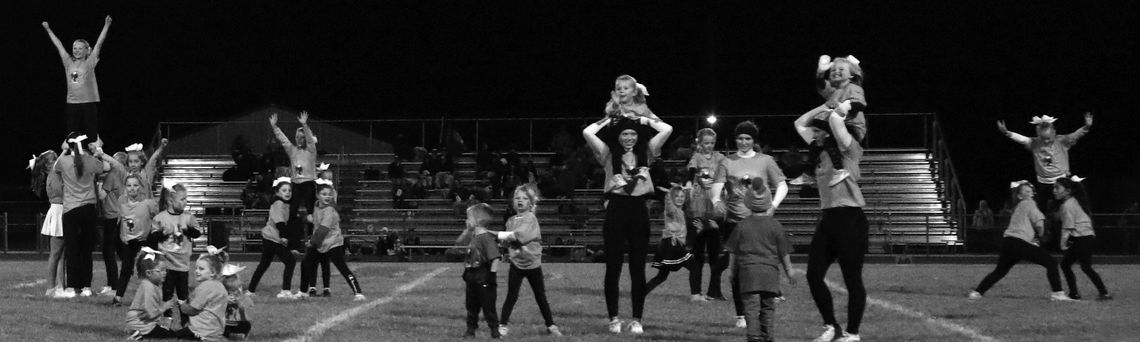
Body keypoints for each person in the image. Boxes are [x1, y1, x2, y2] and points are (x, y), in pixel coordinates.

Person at [583, 77, 673, 334]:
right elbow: (587, 132)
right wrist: (609, 119)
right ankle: (613, 318)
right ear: (617, 135)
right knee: (613, 266)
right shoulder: (607, 153)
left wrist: (642, 119)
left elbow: (666, 128)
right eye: (624, 133)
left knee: (637, 267)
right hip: (616, 209)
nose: (629, 137)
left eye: (633, 133)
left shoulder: (648, 149)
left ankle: (637, 319)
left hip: (638, 210)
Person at [794, 108, 869, 342]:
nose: (813, 135)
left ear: (828, 132)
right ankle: (831, 327)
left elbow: (835, 124)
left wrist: (833, 110)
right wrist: (823, 108)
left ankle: (853, 333)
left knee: (852, 280)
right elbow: (799, 123)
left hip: (850, 218)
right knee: (813, 275)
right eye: (814, 131)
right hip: (828, 219)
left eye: (818, 131)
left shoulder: (848, 148)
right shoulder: (819, 151)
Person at [710, 121, 789, 329]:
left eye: (748, 138)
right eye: (740, 138)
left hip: (760, 222)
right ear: (735, 139)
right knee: (736, 269)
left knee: (764, 265)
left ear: (754, 141)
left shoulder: (766, 161)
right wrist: (716, 201)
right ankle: (741, 315)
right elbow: (716, 188)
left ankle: (766, 303)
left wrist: (773, 205)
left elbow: (782, 184)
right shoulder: (727, 162)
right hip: (734, 223)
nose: (743, 142)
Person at [969, 181, 1075, 302]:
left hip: (1008, 242)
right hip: (1019, 242)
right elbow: (1039, 224)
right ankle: (1057, 293)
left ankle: (977, 292)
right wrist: (1041, 236)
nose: (1030, 194)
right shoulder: (1029, 203)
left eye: (1031, 191)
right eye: (1027, 192)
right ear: (1019, 196)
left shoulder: (1018, 207)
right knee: (1051, 263)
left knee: (999, 271)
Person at [724, 192, 797, 342]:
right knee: (768, 307)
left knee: (750, 307)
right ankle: (768, 336)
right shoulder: (775, 225)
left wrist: (731, 271)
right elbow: (784, 252)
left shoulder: (742, 225)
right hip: (770, 274)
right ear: (768, 203)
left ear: (748, 203)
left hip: (748, 274)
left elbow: (734, 252)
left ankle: (753, 336)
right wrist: (789, 271)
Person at [497, 186, 562, 337]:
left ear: (531, 203)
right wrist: (505, 243)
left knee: (540, 296)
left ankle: (551, 325)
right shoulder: (510, 221)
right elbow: (507, 241)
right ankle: (502, 325)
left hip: (533, 264)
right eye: (517, 198)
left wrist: (500, 236)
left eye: (525, 198)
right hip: (516, 264)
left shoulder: (531, 218)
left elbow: (520, 236)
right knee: (512, 295)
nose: (520, 201)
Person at [996, 113, 1093, 214]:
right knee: (1042, 211)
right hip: (1043, 183)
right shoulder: (1035, 143)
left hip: (1060, 182)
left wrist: (1086, 126)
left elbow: (1075, 135)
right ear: (1038, 135)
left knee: (1063, 209)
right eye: (1043, 138)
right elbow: (1022, 139)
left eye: (1049, 138)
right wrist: (1007, 132)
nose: (1046, 141)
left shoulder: (1062, 141)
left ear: (1054, 133)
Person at [56, 133, 113, 297]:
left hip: (70, 210)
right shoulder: (89, 161)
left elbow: (55, 168)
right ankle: (86, 287)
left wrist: (64, 149)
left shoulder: (64, 162)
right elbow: (107, 167)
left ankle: (72, 287)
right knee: (86, 250)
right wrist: (98, 152)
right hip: (88, 208)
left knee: (72, 249)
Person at [42, 15, 112, 141]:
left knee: (92, 135)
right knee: (72, 136)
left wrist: (106, 25)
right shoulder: (68, 62)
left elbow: (99, 43)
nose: (77, 51)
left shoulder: (90, 61)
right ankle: (74, 156)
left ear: (86, 50)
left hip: (88, 103)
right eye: (75, 48)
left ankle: (94, 156)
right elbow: (58, 45)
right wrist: (48, 29)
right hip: (72, 103)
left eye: (80, 48)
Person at [802, 55, 868, 187]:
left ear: (851, 75)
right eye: (833, 70)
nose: (835, 71)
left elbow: (860, 104)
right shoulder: (834, 91)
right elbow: (820, 84)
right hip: (837, 126)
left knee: (826, 137)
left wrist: (847, 105)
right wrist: (820, 71)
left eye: (841, 69)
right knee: (816, 138)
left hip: (852, 129)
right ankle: (809, 173)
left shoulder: (853, 87)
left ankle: (839, 170)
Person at [298, 181, 366, 300]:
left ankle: (358, 293)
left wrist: (312, 243)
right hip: (321, 243)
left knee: (342, 267)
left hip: (333, 242)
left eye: (329, 194)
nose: (327, 197)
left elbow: (323, 230)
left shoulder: (330, 210)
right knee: (305, 263)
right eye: (324, 194)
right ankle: (303, 292)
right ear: (318, 195)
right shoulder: (316, 205)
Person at [686, 128, 727, 302]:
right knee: (698, 252)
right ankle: (696, 293)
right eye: (705, 143)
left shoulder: (720, 158)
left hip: (715, 207)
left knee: (715, 252)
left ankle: (714, 291)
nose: (709, 146)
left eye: (711, 143)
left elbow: (728, 171)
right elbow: (691, 170)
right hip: (699, 206)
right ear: (699, 143)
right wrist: (690, 181)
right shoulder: (696, 157)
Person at [1054, 176, 1112, 300]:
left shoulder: (1067, 205)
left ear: (1068, 191)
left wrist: (1062, 244)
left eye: (1057, 187)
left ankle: (1078, 294)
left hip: (1081, 238)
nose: (1054, 190)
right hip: (1086, 237)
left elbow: (1067, 227)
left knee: (1072, 265)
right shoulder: (1076, 200)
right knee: (1078, 266)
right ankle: (1101, 293)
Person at [269, 111, 320, 241]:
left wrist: (305, 125)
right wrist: (275, 127)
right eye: (297, 137)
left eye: (301, 137)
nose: (299, 139)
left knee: (310, 212)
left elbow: (310, 140)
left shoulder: (311, 150)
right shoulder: (292, 150)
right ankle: (288, 238)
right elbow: (283, 139)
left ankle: (312, 237)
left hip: (308, 183)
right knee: (291, 213)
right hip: (296, 184)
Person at [456, 203, 503, 339]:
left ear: (477, 221)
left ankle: (494, 330)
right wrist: (466, 230)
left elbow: (495, 258)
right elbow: (458, 244)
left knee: (488, 307)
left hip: (483, 276)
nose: (466, 221)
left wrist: (491, 276)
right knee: (471, 306)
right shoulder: (472, 236)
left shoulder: (486, 238)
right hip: (471, 276)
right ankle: (470, 330)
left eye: (469, 218)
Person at [247, 178, 299, 299]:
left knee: (264, 264)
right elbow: (280, 223)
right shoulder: (278, 203)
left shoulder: (283, 203)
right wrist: (284, 237)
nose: (287, 192)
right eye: (284, 190)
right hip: (273, 238)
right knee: (290, 261)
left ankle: (250, 291)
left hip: (269, 237)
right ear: (277, 192)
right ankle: (285, 291)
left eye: (289, 190)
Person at [112, 174, 160, 306]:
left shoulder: (148, 203)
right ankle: (118, 298)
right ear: (125, 187)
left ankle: (152, 298)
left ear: (140, 187)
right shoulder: (121, 201)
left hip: (145, 241)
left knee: (148, 269)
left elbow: (157, 217)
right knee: (126, 269)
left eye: (135, 185)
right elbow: (121, 220)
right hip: (128, 241)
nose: (132, 188)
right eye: (129, 185)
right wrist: (122, 236)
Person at [150, 182, 203, 302]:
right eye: (182, 199)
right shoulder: (160, 218)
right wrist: (163, 233)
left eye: (186, 199)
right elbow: (152, 238)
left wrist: (187, 230)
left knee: (183, 295)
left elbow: (197, 233)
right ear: (170, 201)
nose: (186, 202)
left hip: (183, 263)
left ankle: (184, 319)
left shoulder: (188, 217)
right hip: (166, 262)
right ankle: (167, 317)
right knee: (167, 293)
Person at [644, 186, 699, 297]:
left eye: (682, 196)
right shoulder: (671, 209)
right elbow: (669, 206)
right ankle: (696, 295)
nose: (680, 198)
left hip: (672, 244)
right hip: (672, 245)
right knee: (695, 267)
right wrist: (668, 195)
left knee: (662, 276)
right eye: (677, 196)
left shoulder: (682, 211)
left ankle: (641, 292)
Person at [31, 149, 70, 298]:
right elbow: (61, 193)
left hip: (60, 210)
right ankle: (50, 288)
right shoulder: (54, 175)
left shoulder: (54, 174)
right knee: (56, 253)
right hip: (59, 211)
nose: (58, 161)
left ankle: (60, 287)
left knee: (61, 254)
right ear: (48, 165)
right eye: (54, 159)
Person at [172, 250, 230, 341]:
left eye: (201, 269)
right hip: (216, 330)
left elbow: (192, 310)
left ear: (213, 272)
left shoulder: (205, 287)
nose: (196, 271)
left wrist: (182, 305)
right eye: (196, 268)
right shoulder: (220, 286)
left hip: (200, 331)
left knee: (171, 336)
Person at [125, 247, 177, 340]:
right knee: (172, 336)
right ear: (149, 273)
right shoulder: (148, 287)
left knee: (168, 333)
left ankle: (137, 333)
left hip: (142, 323)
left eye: (165, 270)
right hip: (140, 324)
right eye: (160, 270)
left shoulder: (153, 285)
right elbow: (150, 313)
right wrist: (165, 307)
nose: (164, 273)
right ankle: (137, 333)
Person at [221, 264, 254, 339]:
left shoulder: (243, 297)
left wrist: (239, 303)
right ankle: (231, 336)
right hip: (226, 323)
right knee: (220, 327)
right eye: (232, 290)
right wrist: (225, 301)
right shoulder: (223, 297)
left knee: (247, 325)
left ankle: (239, 335)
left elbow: (246, 311)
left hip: (237, 322)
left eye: (237, 289)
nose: (235, 292)